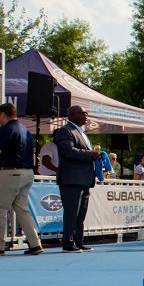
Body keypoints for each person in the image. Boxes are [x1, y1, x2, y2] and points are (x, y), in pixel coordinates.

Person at [0, 102, 43, 256]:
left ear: (2, 114)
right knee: (22, 210)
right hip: (27, 173)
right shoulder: (25, 130)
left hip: (9, 173)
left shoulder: (4, 130)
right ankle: (35, 244)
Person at [54, 105, 97, 253]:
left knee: (80, 214)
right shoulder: (65, 131)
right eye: (82, 113)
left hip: (84, 179)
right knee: (72, 212)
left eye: (86, 113)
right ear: (71, 114)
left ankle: (79, 241)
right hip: (71, 179)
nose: (86, 115)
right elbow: (68, 151)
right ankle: (68, 242)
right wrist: (90, 154)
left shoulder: (81, 132)